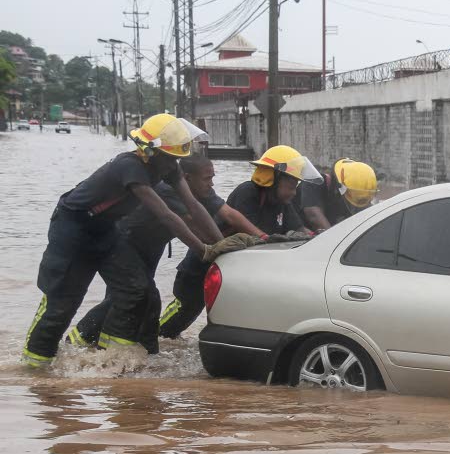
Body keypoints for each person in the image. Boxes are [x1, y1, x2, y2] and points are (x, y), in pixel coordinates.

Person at [21, 113, 222, 368]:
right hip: (73, 230)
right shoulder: (130, 166)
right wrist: (203, 250)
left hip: (106, 231)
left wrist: (218, 245)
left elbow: (193, 204)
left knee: (138, 290)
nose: (174, 165)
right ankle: (33, 368)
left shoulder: (167, 167)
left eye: (177, 159)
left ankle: (111, 360)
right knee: (63, 302)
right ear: (151, 152)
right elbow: (166, 215)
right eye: (171, 158)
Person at [69, 155, 267, 353]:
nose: (211, 183)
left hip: (151, 247)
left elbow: (229, 214)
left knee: (141, 300)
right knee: (132, 297)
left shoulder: (201, 191)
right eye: (207, 178)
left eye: (212, 177)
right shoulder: (167, 191)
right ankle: (82, 341)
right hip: (126, 244)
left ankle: (142, 351)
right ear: (187, 178)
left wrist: (262, 237)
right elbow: (192, 225)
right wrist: (217, 247)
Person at [159, 144, 319, 339]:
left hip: (231, 273)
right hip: (200, 268)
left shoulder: (283, 204)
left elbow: (301, 229)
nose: (294, 193)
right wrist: (264, 238)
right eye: (291, 186)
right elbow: (244, 229)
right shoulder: (247, 193)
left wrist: (320, 239)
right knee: (182, 314)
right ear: (273, 179)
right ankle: (154, 337)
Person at [295, 159, 379, 232]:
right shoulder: (313, 182)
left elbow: (369, 216)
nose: (354, 205)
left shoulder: (357, 193)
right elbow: (313, 216)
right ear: (338, 188)